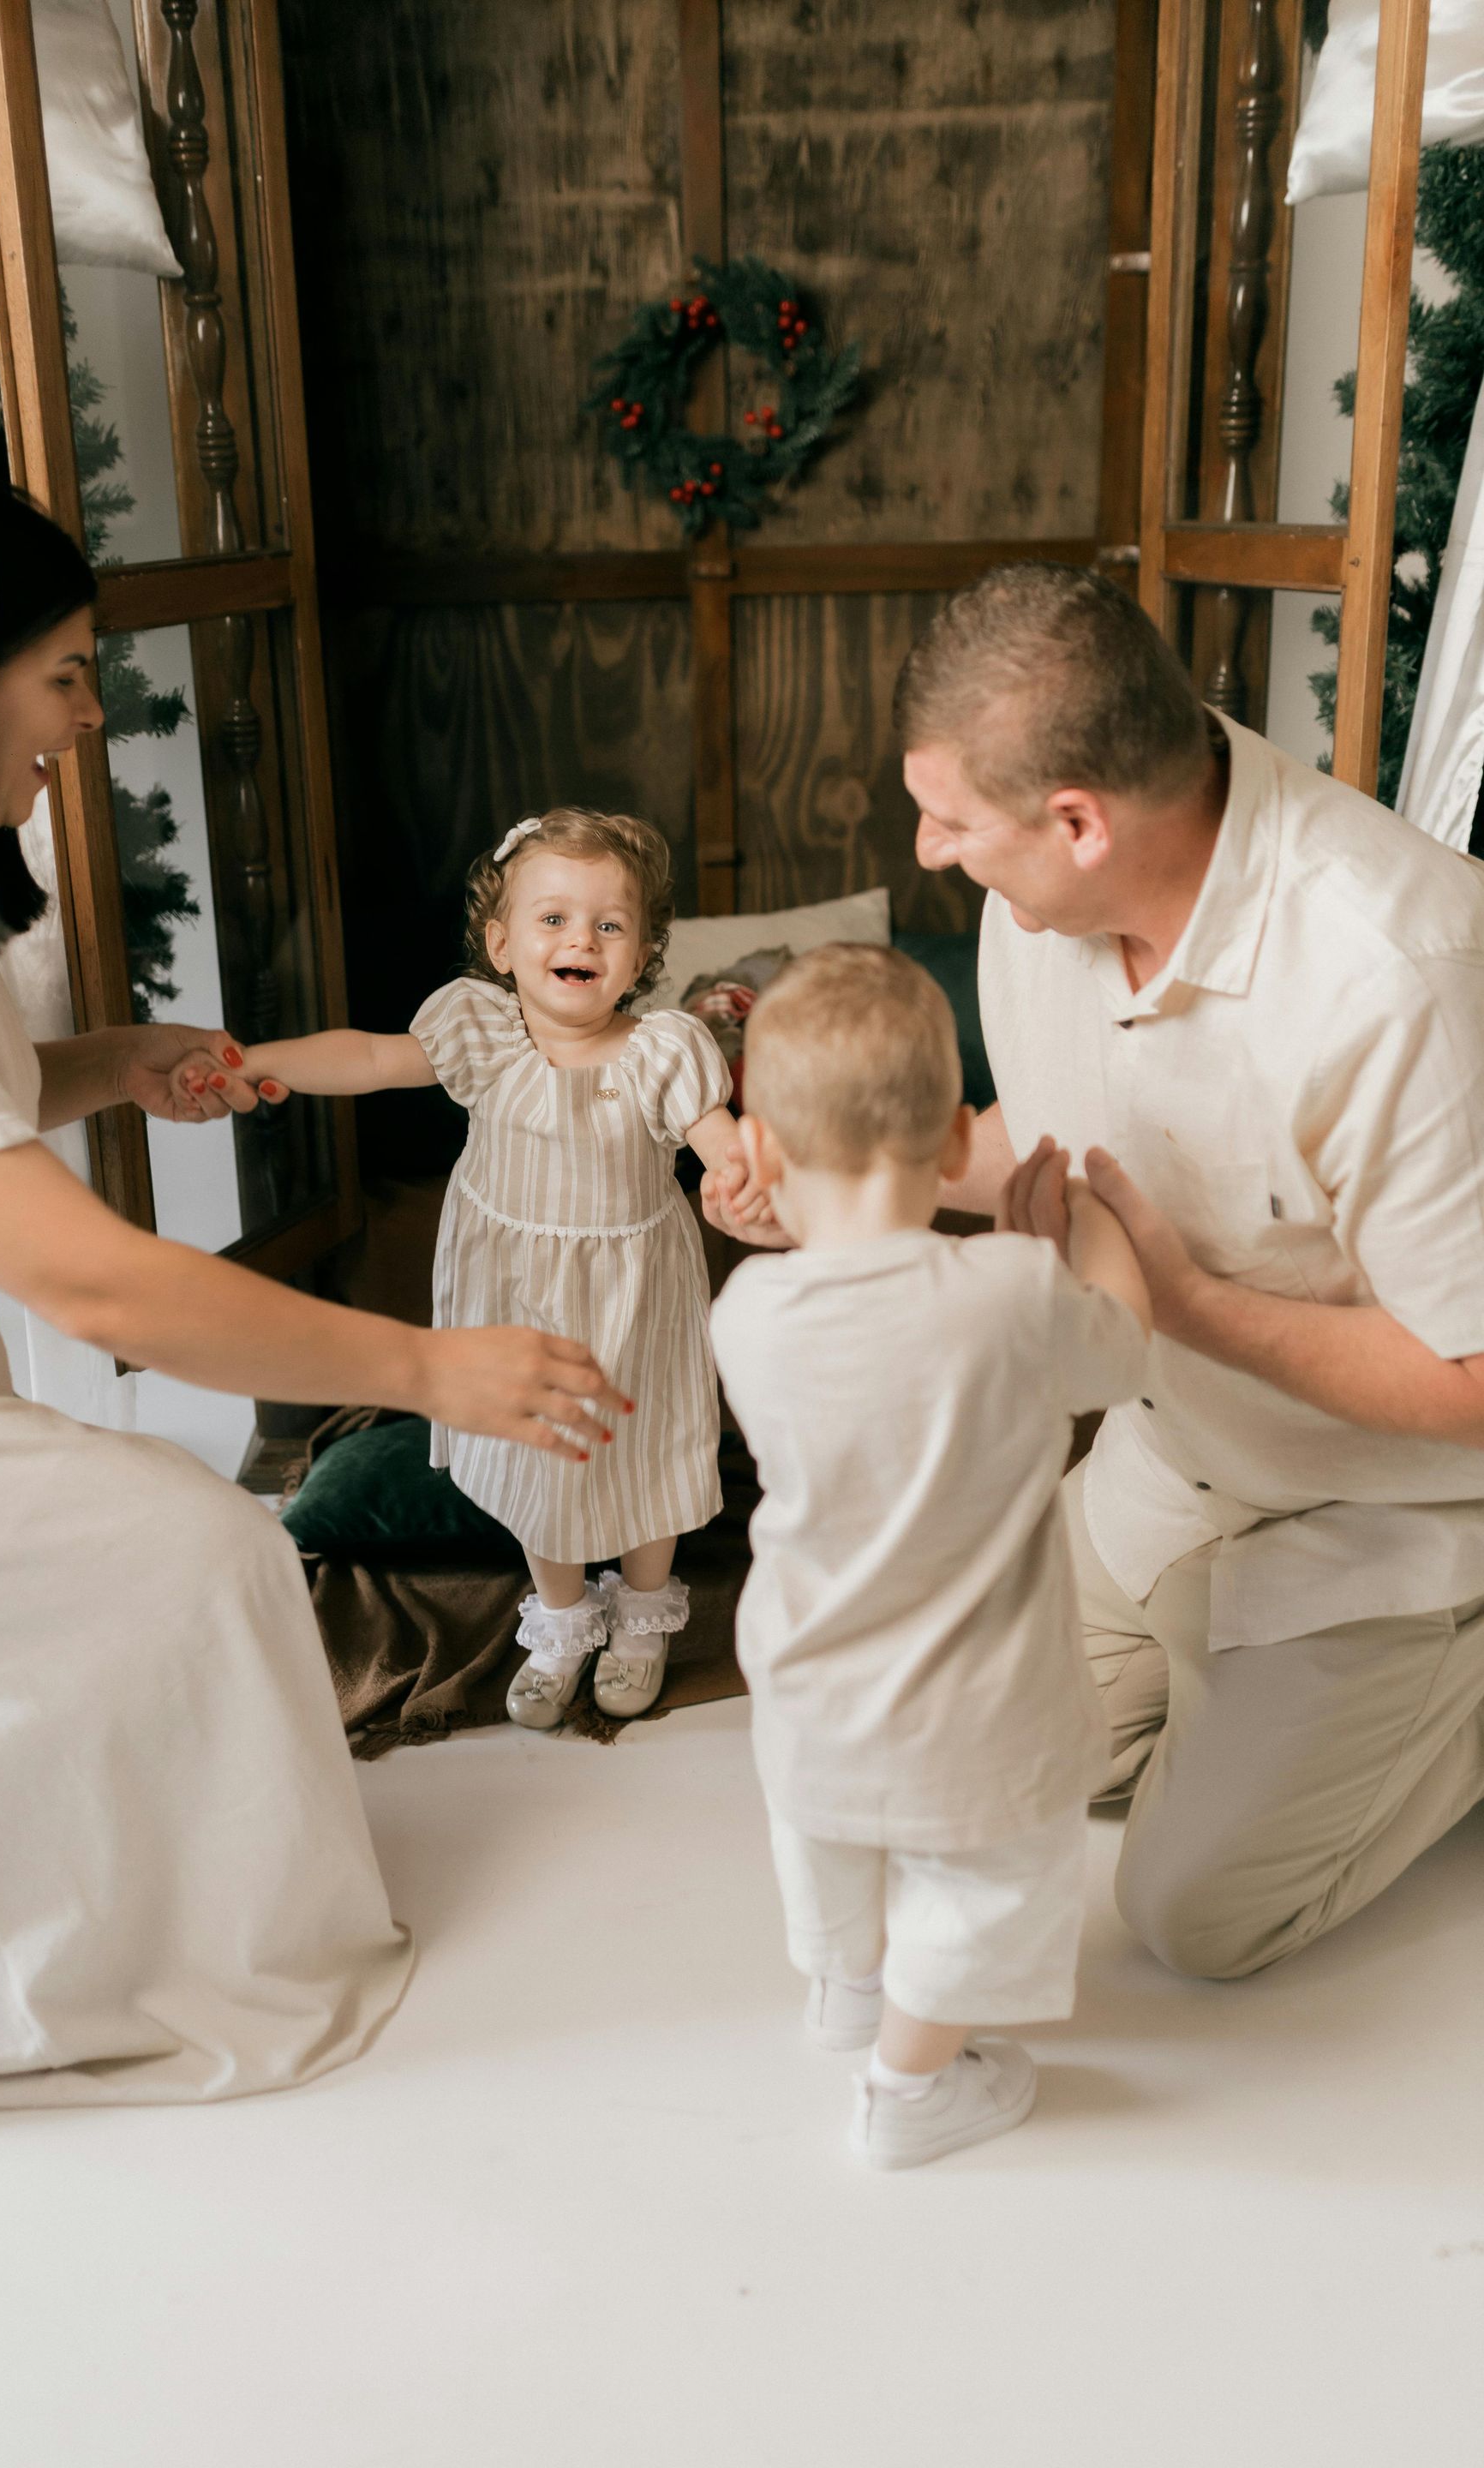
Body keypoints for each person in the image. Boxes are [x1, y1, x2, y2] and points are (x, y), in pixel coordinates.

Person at [0, 470, 628, 2124]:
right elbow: (93, 1282)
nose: (81, 718)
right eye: (61, 674)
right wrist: (429, 1368)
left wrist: (109, 1066)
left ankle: (105, 1907)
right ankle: (122, 1962)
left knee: (111, 1617)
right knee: (205, 1557)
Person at [883, 560, 1484, 1981]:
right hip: (1176, 1462)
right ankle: (1240, 1681)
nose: (926, 850)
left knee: (1191, 1918)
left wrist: (1190, 1305)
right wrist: (852, 1184)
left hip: (1389, 1502)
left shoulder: (1400, 971)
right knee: (970, 1760)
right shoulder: (1041, 902)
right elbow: (1039, 1138)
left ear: (1077, 821)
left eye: (949, 820)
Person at [711, 945, 1151, 2168]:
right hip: (979, 1708)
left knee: (832, 1840)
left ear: (761, 1156)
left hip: (806, 1686)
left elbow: (848, 1319)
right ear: (961, 1142)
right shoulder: (1008, 1291)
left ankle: (851, 1996)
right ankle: (912, 2089)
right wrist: (1094, 1227)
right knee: (981, 1885)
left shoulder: (743, 1314)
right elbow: (1117, 1356)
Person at [193, 808, 766, 1729]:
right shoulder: (480, 1033)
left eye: (609, 925)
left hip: (632, 1296)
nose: (581, 938)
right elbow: (373, 1057)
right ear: (500, 945)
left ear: (646, 950)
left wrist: (738, 1180)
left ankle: (644, 1616)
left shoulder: (664, 1050)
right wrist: (258, 1063)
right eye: (552, 919)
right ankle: (566, 1617)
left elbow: (720, 1141)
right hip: (514, 1292)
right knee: (536, 1456)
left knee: (645, 1453)